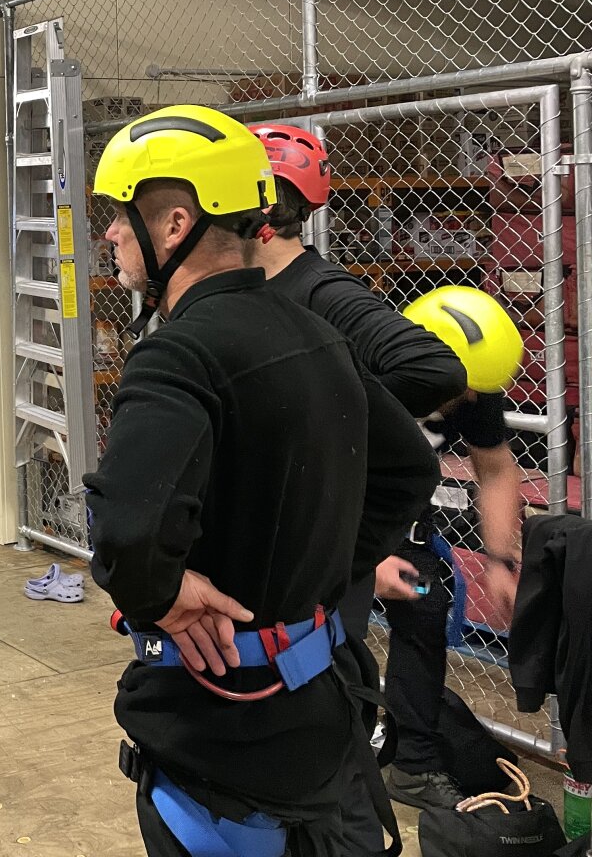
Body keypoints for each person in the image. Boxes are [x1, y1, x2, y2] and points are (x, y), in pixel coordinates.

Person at [82, 105, 437, 856]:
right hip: (321, 713)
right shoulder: (319, 335)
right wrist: (337, 566)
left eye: (119, 215)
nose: (110, 233)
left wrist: (163, 595)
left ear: (174, 225)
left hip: (218, 731)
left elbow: (126, 536)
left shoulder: (175, 358)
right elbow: (410, 467)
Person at [248, 122, 527, 817]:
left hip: (392, 524)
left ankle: (412, 757)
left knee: (425, 605)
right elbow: (312, 463)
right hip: (330, 526)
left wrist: (500, 559)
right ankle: (338, 752)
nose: (461, 404)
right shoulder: (368, 358)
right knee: (328, 642)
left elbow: (494, 468)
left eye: (470, 395)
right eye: (452, 392)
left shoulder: (469, 369)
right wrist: (357, 558)